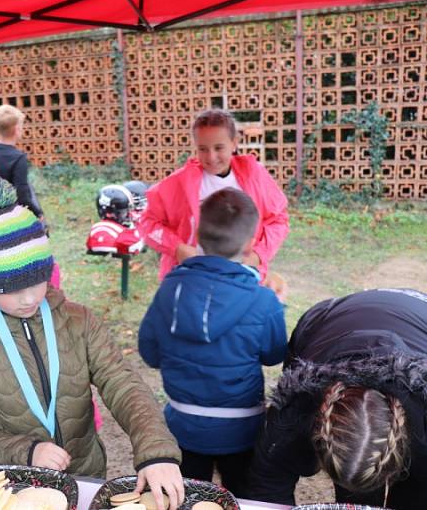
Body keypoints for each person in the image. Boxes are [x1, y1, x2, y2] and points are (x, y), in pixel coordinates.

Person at [0, 177, 185, 509]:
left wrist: (155, 452)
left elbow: (122, 384)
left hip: (87, 476)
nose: (28, 298)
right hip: (17, 489)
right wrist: (25, 451)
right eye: (10, 288)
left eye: (37, 281)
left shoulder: (79, 321)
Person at [138, 188, 287, 498]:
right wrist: (275, 308)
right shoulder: (263, 300)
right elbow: (274, 355)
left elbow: (150, 354)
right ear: (249, 246)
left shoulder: (169, 290)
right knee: (242, 499)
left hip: (183, 427)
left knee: (188, 499)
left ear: (195, 232)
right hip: (243, 432)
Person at [247, 289, 427, 510]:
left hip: (419, 316)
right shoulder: (294, 410)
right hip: (327, 319)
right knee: (355, 496)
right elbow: (265, 489)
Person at [138, 108, 289, 283]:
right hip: (191, 280)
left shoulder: (254, 175)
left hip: (241, 280)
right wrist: (177, 248)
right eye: (203, 149)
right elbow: (147, 222)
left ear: (234, 143)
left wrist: (258, 255)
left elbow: (279, 220)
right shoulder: (178, 183)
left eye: (219, 148)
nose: (211, 157)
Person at [0, 104, 44, 219]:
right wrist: (38, 214)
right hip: (7, 221)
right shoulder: (18, 158)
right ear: (17, 129)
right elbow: (23, 196)